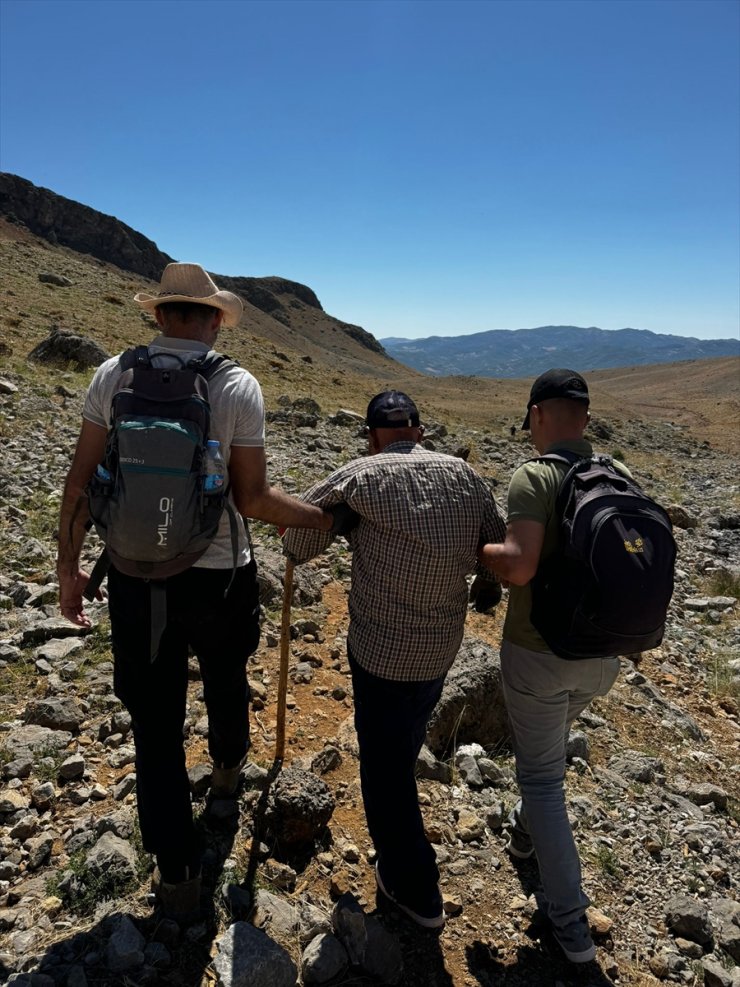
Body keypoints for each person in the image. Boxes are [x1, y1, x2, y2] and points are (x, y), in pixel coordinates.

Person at [57, 263, 349, 923]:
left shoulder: (113, 375)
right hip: (217, 573)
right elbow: (252, 497)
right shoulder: (236, 384)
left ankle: (179, 874)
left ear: (159, 315)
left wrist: (67, 568)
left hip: (134, 575)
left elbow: (80, 481)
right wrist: (322, 516)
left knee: (154, 725)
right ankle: (223, 782)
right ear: (215, 318)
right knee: (224, 673)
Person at [283, 391, 505, 929]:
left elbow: (295, 544)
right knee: (403, 736)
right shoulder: (465, 476)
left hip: (380, 650)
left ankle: (414, 886)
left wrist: (345, 524)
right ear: (420, 432)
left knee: (382, 772)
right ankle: (402, 802)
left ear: (371, 435)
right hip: (440, 648)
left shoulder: (360, 476)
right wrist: (488, 585)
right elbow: (496, 543)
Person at [478, 368, 622, 964]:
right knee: (547, 754)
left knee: (542, 779)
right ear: (584, 419)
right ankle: (522, 838)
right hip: (603, 658)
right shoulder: (617, 475)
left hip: (539, 653)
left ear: (537, 415)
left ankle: (569, 925)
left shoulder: (534, 475)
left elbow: (518, 566)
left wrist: (477, 548)